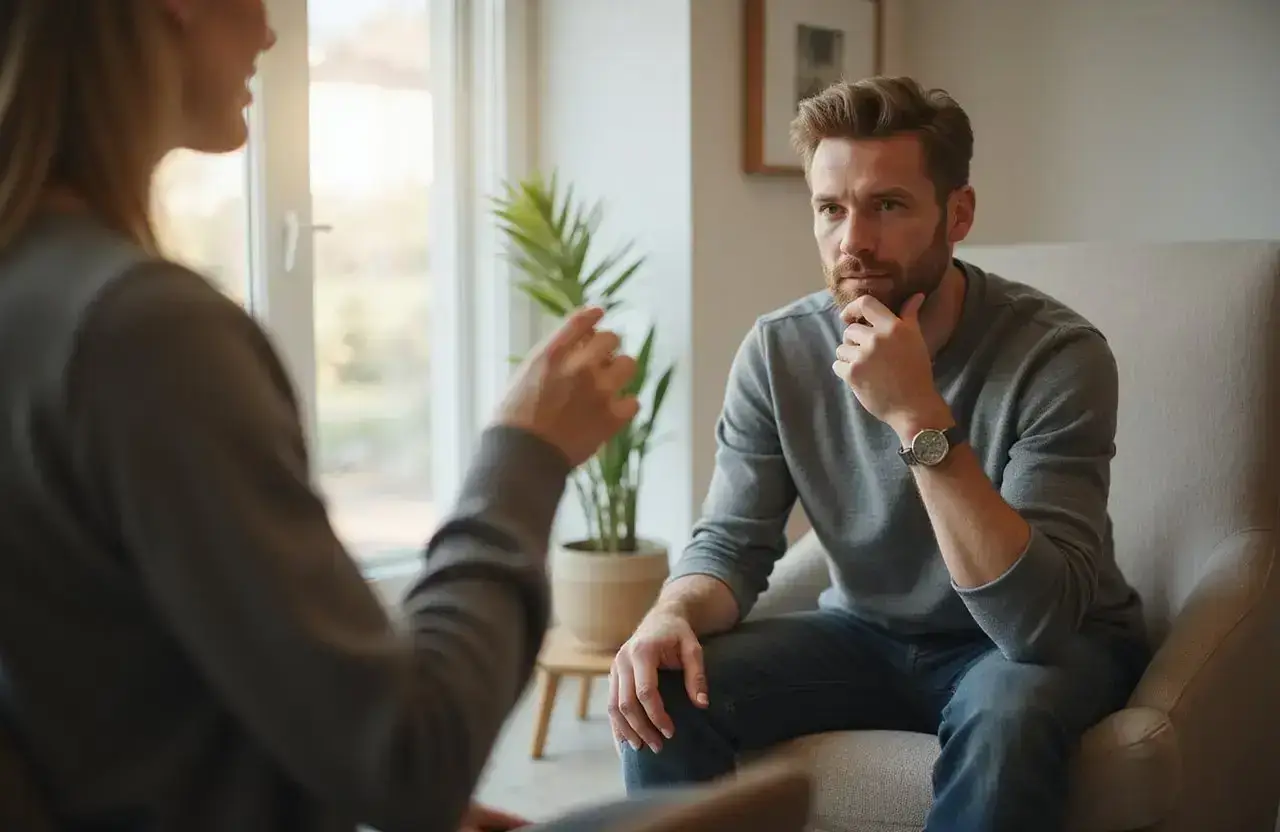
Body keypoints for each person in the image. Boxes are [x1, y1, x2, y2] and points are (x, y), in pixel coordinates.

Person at [0, 2, 673, 831]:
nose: (269, 33)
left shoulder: (36, 297)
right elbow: (409, 759)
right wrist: (522, 460)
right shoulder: (140, 331)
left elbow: (122, 691)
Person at [609, 75, 1152, 832]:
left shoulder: (1057, 355)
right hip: (866, 634)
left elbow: (1035, 625)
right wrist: (670, 613)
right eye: (831, 209)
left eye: (887, 206)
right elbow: (732, 543)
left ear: (957, 214)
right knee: (667, 687)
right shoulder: (778, 350)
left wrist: (917, 415)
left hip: (1042, 642)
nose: (852, 241)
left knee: (1006, 717)